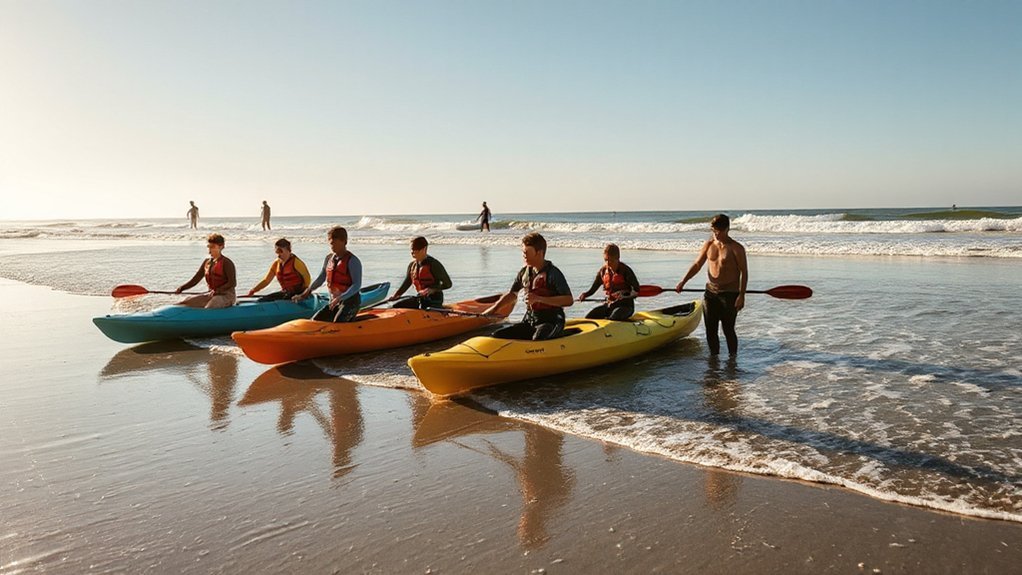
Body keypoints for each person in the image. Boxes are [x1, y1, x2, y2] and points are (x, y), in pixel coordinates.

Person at [675, 214, 748, 356]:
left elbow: (744, 272)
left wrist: (742, 295)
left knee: (728, 329)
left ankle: (732, 359)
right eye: (713, 231)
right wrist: (683, 281)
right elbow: (697, 265)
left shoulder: (736, 248)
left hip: (730, 294)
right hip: (710, 294)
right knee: (710, 329)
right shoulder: (709, 245)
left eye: (719, 231)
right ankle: (714, 359)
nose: (716, 234)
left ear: (727, 229)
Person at [484, 232, 573, 340]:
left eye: (527, 252)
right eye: (523, 252)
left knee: (538, 339)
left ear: (539, 253)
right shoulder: (524, 272)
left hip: (551, 320)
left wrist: (539, 299)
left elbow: (568, 300)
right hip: (530, 320)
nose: (524, 255)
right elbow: (512, 294)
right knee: (498, 336)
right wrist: (493, 309)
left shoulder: (553, 273)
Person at [293, 226, 363, 322]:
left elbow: (357, 285)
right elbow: (321, 278)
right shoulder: (329, 259)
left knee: (338, 324)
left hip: (350, 302)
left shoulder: (353, 261)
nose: (332, 245)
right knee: (315, 321)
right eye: (331, 242)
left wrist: (340, 298)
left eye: (335, 242)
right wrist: (307, 291)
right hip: (334, 302)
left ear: (344, 242)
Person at [577, 243, 640, 321]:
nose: (608, 263)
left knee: (614, 318)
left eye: (611, 260)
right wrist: (585, 295)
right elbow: (594, 288)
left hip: (625, 306)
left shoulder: (626, 271)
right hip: (609, 305)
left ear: (618, 258)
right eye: (606, 260)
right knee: (589, 317)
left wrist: (626, 295)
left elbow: (636, 290)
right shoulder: (603, 271)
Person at [387, 236, 453, 310]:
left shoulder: (434, 264)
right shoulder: (412, 265)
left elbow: (448, 284)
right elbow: (407, 283)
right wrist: (396, 296)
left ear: (424, 249)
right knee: (394, 306)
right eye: (411, 249)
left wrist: (432, 289)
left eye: (415, 250)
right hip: (420, 299)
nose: (412, 252)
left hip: (434, 301)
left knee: (423, 305)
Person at [175, 233, 237, 308]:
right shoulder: (207, 262)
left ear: (221, 247)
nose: (210, 250)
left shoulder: (227, 263)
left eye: (213, 247)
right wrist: (182, 288)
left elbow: (232, 283)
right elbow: (195, 279)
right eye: (209, 247)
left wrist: (218, 291)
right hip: (211, 294)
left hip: (226, 296)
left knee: (210, 306)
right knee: (184, 303)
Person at [246, 238, 311, 302]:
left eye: (280, 251)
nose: (278, 254)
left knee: (263, 300)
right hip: (285, 293)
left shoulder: (297, 263)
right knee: (262, 300)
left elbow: (308, 280)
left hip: (298, 293)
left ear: (288, 250)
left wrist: (303, 295)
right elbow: (266, 280)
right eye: (277, 251)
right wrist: (254, 290)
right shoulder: (276, 263)